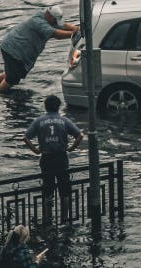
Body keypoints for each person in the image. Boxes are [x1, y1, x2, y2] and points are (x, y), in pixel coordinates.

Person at [0, 6, 79, 92]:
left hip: (13, 48)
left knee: (13, 72)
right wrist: (74, 34)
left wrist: (76, 28)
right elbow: (56, 34)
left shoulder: (46, 18)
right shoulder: (38, 22)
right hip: (13, 49)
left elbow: (61, 25)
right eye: (55, 21)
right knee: (12, 78)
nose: (56, 23)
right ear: (49, 16)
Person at [24, 95, 84, 224]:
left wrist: (35, 150)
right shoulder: (64, 120)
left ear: (45, 106)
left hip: (46, 158)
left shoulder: (39, 121)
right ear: (58, 106)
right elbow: (79, 135)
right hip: (61, 157)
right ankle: (65, 219)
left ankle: (48, 219)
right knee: (65, 191)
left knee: (48, 190)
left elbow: (26, 137)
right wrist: (71, 148)